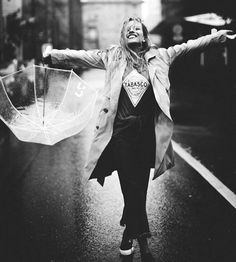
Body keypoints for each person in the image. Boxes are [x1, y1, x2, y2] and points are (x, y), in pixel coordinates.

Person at [43, 17, 236, 260]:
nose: (133, 31)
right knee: (129, 185)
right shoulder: (112, 57)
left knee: (139, 187)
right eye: (128, 30)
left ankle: (129, 233)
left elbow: (190, 46)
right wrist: (53, 55)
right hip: (121, 133)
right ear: (123, 37)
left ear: (144, 36)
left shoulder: (162, 56)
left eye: (137, 29)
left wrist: (218, 37)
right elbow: (81, 56)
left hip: (148, 134)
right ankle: (142, 238)